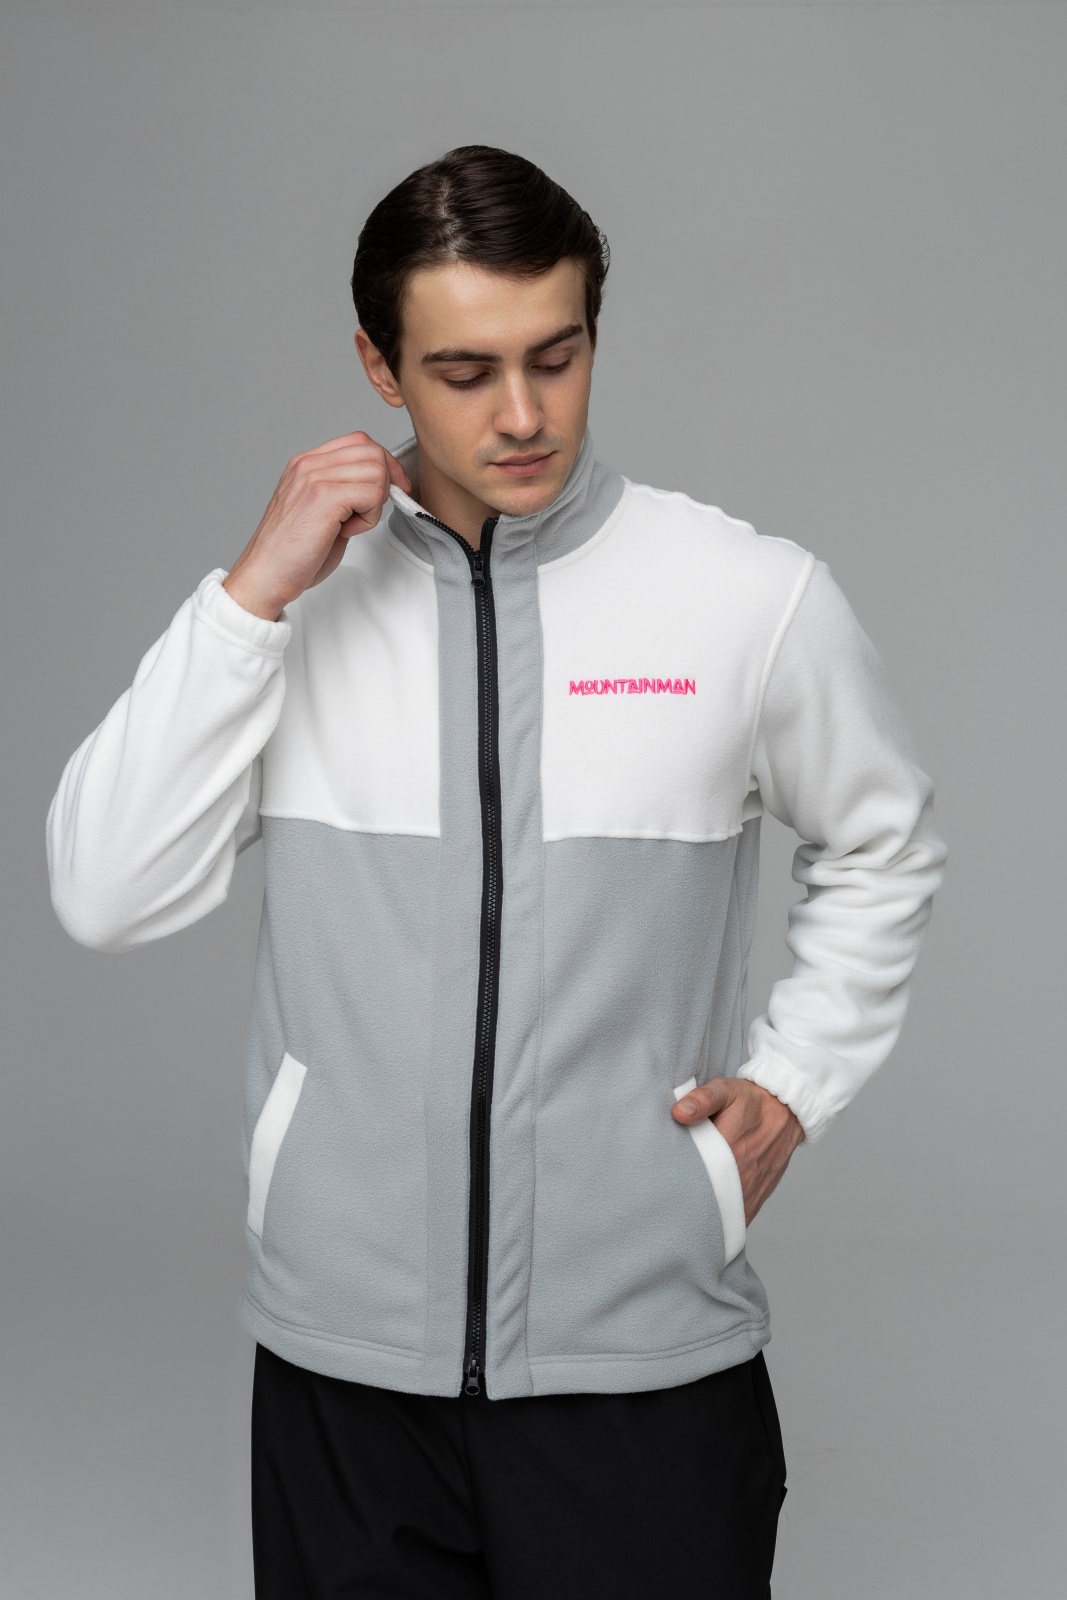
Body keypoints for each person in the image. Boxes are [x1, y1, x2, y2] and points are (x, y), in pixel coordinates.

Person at [46, 145, 947, 1598]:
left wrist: (798, 1081)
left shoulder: (746, 596)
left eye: (557, 357)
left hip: (644, 1360)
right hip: (346, 1373)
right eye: (464, 372)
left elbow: (884, 839)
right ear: (379, 366)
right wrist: (251, 593)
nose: (523, 415)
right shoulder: (291, 610)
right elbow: (104, 889)